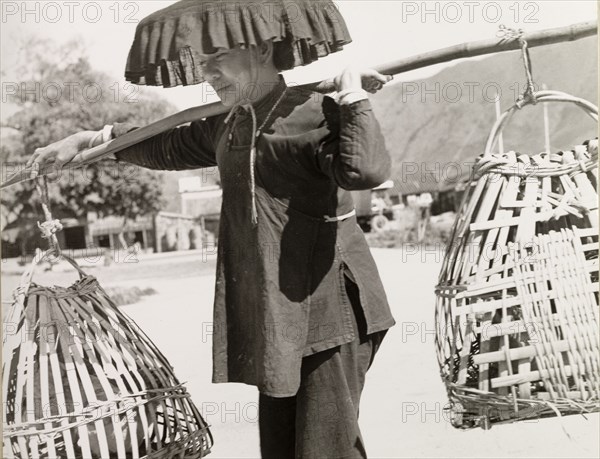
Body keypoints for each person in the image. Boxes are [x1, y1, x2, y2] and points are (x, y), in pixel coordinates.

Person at [26, 1, 396, 457]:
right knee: (282, 449)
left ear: (260, 48)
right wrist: (91, 140)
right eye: (202, 63)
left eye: (217, 57)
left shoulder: (316, 112)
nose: (208, 73)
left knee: (326, 448)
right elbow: (164, 146)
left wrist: (353, 95)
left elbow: (365, 172)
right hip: (278, 316)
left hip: (329, 309)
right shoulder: (231, 124)